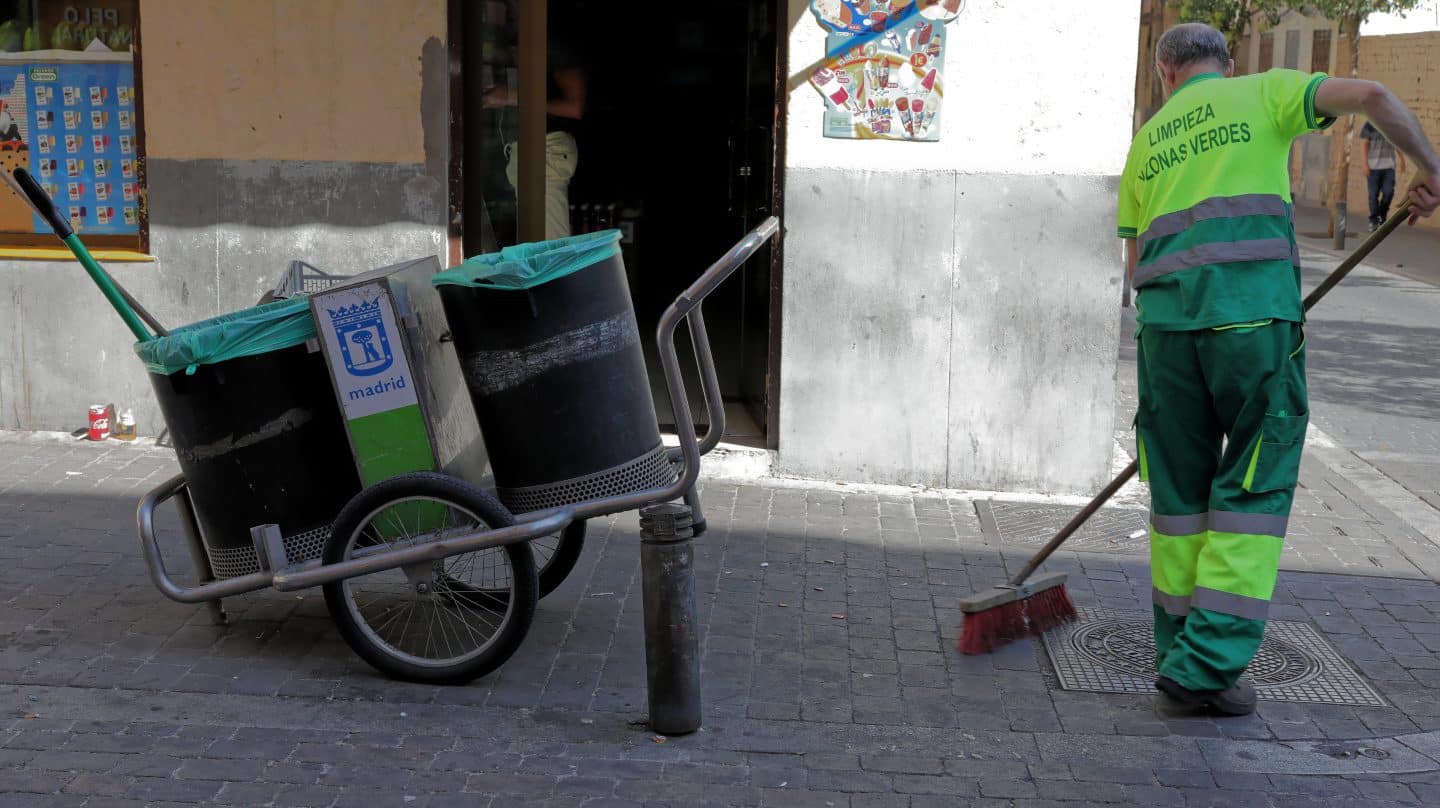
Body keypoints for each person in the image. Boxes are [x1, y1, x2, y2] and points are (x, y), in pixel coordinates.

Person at [1117, 23, 1439, 717]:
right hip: (1251, 324)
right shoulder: (1260, 93)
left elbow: (1136, 266)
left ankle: (1179, 652)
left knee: (1179, 499)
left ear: (1165, 73)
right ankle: (1206, 663)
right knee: (1254, 484)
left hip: (1166, 339)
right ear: (1224, 63)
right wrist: (1430, 170)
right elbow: (1376, 95)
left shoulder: (1146, 143)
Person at [483, 7, 586, 240]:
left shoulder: (552, 42)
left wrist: (510, 96)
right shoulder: (514, 43)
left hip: (547, 149)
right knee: (539, 245)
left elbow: (574, 107)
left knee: (550, 248)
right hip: (530, 152)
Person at [1361, 121, 1406, 231]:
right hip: (1373, 167)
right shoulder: (1369, 125)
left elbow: (1396, 144)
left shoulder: (1391, 126)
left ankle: (1382, 216)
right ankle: (1373, 221)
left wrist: (1402, 160)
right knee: (1373, 195)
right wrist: (1365, 164)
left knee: (1389, 193)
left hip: (1388, 167)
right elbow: (1365, 144)